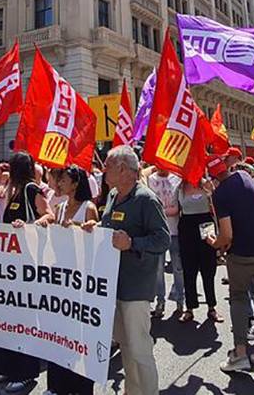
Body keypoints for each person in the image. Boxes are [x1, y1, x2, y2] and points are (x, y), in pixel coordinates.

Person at [83, 145, 167, 395]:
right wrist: (95, 226)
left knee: (139, 349)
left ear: (122, 169)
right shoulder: (112, 196)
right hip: (114, 284)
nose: (103, 170)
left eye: (107, 165)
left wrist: (132, 243)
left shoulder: (146, 199)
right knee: (126, 347)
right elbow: (111, 227)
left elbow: (162, 240)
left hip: (136, 287)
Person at [206, 150, 254, 376]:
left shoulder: (220, 195)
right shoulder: (245, 177)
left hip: (243, 255)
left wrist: (213, 241)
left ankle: (240, 354)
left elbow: (226, 236)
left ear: (211, 176)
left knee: (238, 298)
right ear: (227, 166)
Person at [41, 165, 98, 395]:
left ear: (75, 183)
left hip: (80, 278)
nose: (59, 183)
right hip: (61, 277)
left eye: (63, 179)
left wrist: (77, 227)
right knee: (59, 334)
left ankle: (81, 387)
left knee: (79, 336)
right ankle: (57, 385)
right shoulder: (61, 207)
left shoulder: (89, 208)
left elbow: (94, 241)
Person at [0, 152, 44, 392]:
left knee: (23, 318)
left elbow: (48, 216)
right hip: (9, 263)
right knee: (6, 316)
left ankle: (25, 372)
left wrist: (29, 226)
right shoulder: (12, 190)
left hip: (27, 264)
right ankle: (6, 366)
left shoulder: (31, 189)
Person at [177, 169, 220, 323]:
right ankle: (189, 308)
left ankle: (211, 307)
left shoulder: (207, 185)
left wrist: (210, 193)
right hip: (187, 227)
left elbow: (216, 209)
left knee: (208, 269)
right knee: (189, 270)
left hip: (205, 224)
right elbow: (177, 210)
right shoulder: (180, 188)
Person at [147, 167, 184, 318]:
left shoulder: (177, 179)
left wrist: (160, 210)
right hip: (157, 232)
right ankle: (160, 302)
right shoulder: (149, 180)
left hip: (175, 231)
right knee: (158, 270)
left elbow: (178, 208)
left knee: (178, 268)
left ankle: (180, 301)